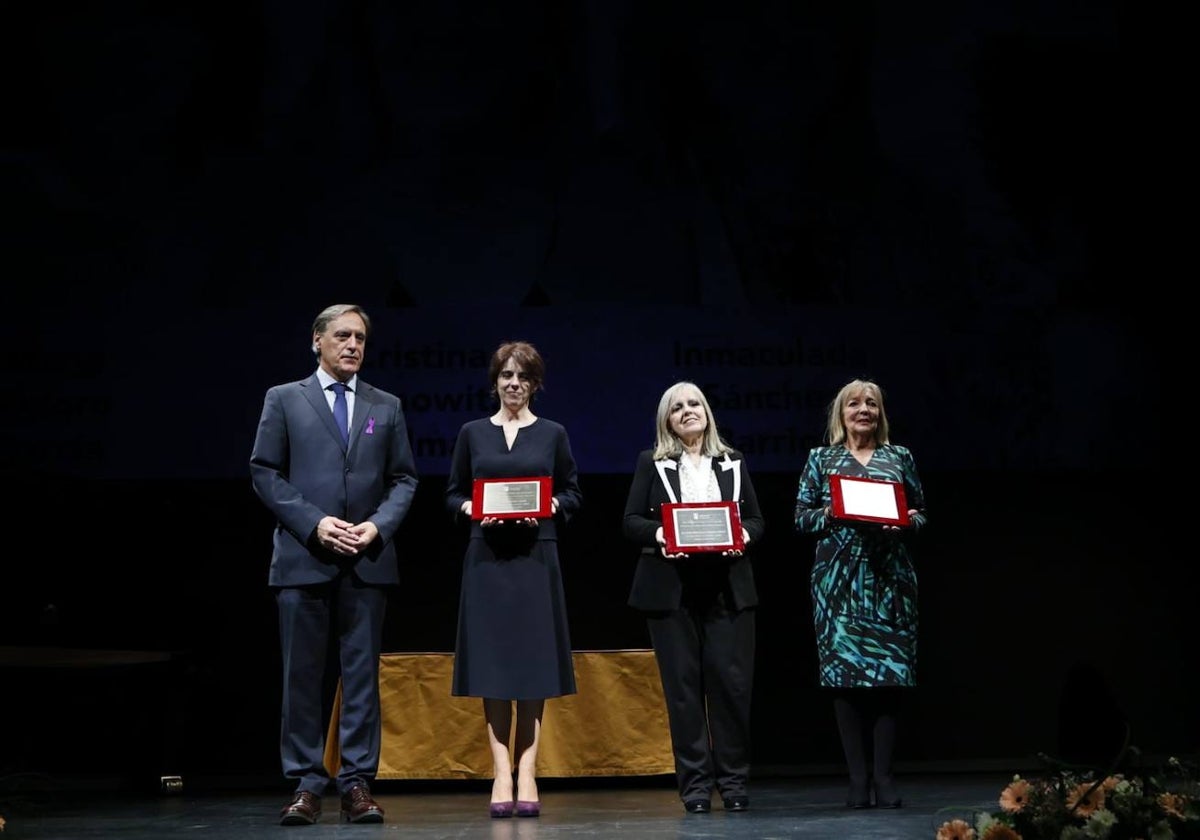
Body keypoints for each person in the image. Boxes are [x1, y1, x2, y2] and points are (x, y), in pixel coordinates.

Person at [250, 303, 419, 826]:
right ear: (317, 342)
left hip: (366, 560)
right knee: (302, 675)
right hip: (305, 557)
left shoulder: (385, 405)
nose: (353, 345)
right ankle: (305, 784)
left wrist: (377, 527)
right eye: (343, 336)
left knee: (362, 677)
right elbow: (265, 472)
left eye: (361, 338)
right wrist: (315, 523)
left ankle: (356, 784)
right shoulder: (285, 399)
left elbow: (404, 480)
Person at [444, 340, 582, 819]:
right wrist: (470, 509)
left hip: (535, 561)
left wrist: (553, 506)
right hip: (485, 561)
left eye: (523, 377)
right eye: (506, 376)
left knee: (532, 670)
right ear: (495, 381)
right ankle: (501, 771)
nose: (514, 384)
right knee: (494, 670)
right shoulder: (472, 433)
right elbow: (453, 493)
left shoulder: (553, 434)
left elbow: (572, 492)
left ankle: (528, 770)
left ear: (536, 385)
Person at [621, 381, 765, 815]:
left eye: (694, 403)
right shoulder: (653, 463)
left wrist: (742, 533)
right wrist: (663, 533)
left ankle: (735, 783)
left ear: (707, 411)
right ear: (667, 419)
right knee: (683, 693)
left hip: (727, 589)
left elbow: (757, 519)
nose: (687, 411)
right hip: (672, 592)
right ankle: (697, 788)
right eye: (677, 406)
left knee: (731, 688)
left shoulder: (733, 462)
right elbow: (630, 521)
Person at [793, 378, 926, 810]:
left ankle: (884, 778)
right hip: (838, 582)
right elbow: (801, 517)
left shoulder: (898, 456)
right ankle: (856, 779)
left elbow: (920, 512)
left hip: (889, 581)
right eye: (854, 403)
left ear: (880, 413)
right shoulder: (822, 458)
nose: (863, 409)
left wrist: (904, 521)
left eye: (871, 403)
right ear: (841, 413)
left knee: (889, 679)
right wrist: (830, 512)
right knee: (844, 680)